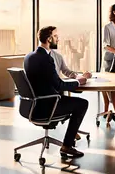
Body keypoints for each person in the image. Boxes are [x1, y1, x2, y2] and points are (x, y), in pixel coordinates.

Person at [24, 26, 89, 158]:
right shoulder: (47, 59)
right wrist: (79, 82)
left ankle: (70, 140)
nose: (58, 39)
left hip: (32, 106)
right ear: (49, 39)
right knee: (82, 104)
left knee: (74, 102)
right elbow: (59, 84)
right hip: (47, 105)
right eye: (56, 36)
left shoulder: (29, 56)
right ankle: (67, 145)